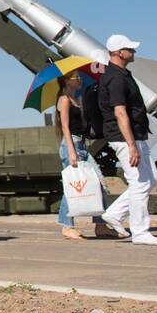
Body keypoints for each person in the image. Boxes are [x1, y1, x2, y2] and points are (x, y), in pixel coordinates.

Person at [97, 34, 157, 245]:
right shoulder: (115, 78)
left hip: (136, 135)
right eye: (130, 49)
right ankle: (140, 232)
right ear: (119, 52)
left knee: (150, 178)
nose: (133, 52)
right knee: (139, 182)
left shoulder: (123, 74)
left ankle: (115, 214)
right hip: (125, 137)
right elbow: (119, 112)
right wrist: (131, 145)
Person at [55, 72, 121, 240]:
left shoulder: (76, 100)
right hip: (72, 146)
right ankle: (67, 226)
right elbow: (65, 128)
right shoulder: (63, 100)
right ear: (67, 80)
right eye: (77, 77)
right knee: (73, 185)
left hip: (82, 145)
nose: (80, 79)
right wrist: (71, 151)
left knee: (98, 183)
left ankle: (100, 226)